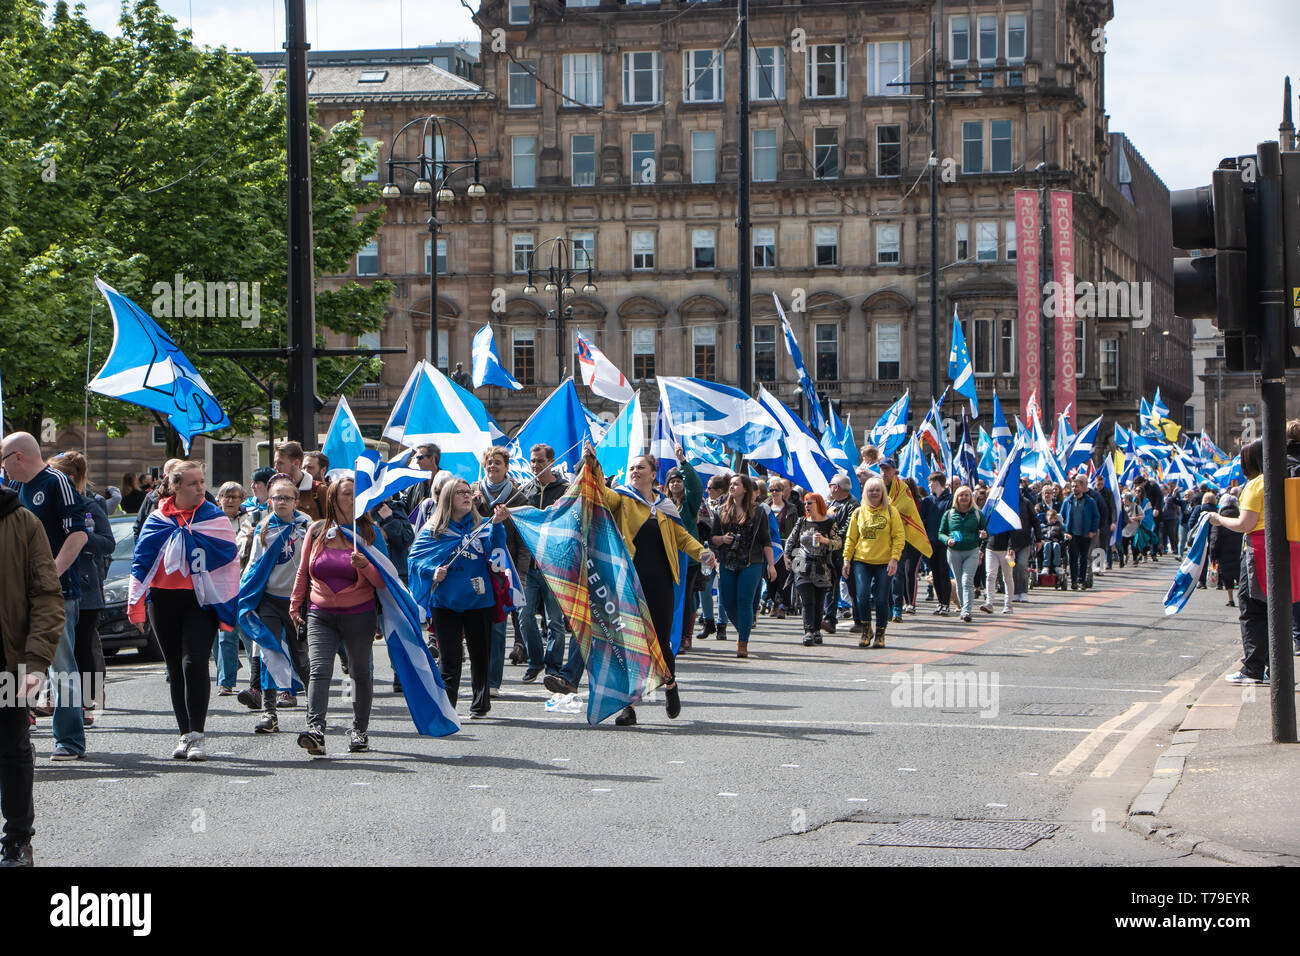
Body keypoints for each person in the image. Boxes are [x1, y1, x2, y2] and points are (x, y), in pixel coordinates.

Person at [571, 450, 712, 724]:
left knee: (660, 640)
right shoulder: (622, 498)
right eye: (632, 468)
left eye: (640, 468)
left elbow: (683, 537)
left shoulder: (666, 506)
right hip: (627, 582)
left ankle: (670, 686)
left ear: (653, 474)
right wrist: (593, 464)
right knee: (628, 642)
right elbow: (600, 492)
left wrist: (702, 553)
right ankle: (629, 705)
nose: (635, 471)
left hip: (660, 582)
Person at [129, 461, 239, 762]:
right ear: (174, 486)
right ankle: (184, 735)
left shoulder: (213, 518)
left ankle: (198, 735)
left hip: (199, 601)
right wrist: (135, 604)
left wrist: (227, 601)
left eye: (202, 482)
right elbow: (141, 561)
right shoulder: (157, 519)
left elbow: (229, 557)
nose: (200, 488)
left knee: (195, 662)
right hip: (163, 600)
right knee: (175, 668)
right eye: (192, 483)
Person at [1, 432, 87, 761]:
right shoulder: (15, 491)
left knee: (60, 665)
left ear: (19, 457)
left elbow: (77, 534)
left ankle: (70, 739)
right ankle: (17, 735)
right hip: (19, 596)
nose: (3, 468)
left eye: (4, 460)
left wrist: (49, 575)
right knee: (18, 663)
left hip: (57, 594)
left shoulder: (56, 481)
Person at [290, 477, 386, 755]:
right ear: (333, 499)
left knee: (359, 673)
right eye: (347, 494)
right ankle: (316, 730)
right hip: (320, 613)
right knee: (319, 671)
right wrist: (295, 604)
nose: (354, 498)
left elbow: (384, 581)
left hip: (360, 614)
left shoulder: (371, 533)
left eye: (358, 493)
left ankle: (359, 730)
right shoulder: (317, 530)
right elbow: (303, 571)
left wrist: (366, 565)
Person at [0, 479, 64, 866]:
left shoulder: (23, 522)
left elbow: (46, 595)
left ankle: (18, 840)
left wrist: (36, 662)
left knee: (12, 749)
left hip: (8, 663)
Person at [409, 477, 508, 719]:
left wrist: (497, 525)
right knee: (450, 658)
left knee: (480, 655)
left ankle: (480, 704)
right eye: (459, 493)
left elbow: (497, 553)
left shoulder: (482, 525)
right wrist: (432, 572)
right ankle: (447, 707)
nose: (466, 496)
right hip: (446, 603)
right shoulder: (433, 530)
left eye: (468, 492)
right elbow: (414, 560)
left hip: (479, 600)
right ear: (447, 499)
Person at [239, 475, 313, 735]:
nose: (281, 502)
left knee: (301, 656)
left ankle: (313, 711)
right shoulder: (264, 528)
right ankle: (269, 713)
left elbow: (312, 564)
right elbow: (255, 566)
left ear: (296, 500)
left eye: (287, 497)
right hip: (269, 599)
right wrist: (245, 593)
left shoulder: (306, 525)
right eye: (277, 497)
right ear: (269, 500)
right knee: (269, 650)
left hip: (297, 602)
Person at [48, 452, 114, 725]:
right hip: (59, 586)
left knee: (82, 648)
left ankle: (87, 704)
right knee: (56, 650)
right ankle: (57, 701)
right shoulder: (49, 506)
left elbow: (108, 543)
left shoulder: (90, 505)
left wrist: (81, 537)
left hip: (86, 588)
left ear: (69, 478)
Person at [470, 447, 531, 698]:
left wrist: (521, 575)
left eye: (497, 463)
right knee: (474, 627)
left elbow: (524, 544)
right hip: (475, 567)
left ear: (507, 467)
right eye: (489, 463)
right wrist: (470, 504)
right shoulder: (471, 494)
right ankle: (478, 677)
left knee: (497, 626)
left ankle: (492, 681)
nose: (492, 466)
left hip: (503, 571)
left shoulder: (519, 499)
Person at [1208, 440, 1270, 683]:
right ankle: (1272, 667)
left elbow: (1245, 524)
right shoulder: (1276, 479)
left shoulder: (1255, 485)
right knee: (1270, 609)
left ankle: (1252, 670)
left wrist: (1218, 519)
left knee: (1251, 608)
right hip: (1275, 549)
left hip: (1257, 549)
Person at [518, 445, 571, 684]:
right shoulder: (524, 491)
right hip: (529, 566)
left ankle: (553, 666)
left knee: (554, 621)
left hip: (554, 565)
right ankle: (535, 661)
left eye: (540, 461)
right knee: (524, 615)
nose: (535, 465)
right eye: (533, 461)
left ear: (551, 462)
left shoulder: (564, 490)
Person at [710, 474, 775, 660]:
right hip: (727, 562)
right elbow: (712, 538)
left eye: (736, 484)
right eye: (730, 484)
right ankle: (743, 629)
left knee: (744, 602)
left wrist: (771, 565)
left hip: (751, 562)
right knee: (728, 603)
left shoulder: (759, 511)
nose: (732, 487)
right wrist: (723, 539)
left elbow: (765, 540)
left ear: (745, 488)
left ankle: (742, 642)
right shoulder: (721, 510)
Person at [843, 476, 904, 648]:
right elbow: (851, 538)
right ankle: (866, 630)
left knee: (881, 599)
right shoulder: (858, 512)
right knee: (861, 596)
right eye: (871, 490)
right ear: (865, 493)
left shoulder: (892, 512)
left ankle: (880, 634)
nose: (874, 493)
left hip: (885, 562)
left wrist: (894, 558)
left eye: (877, 490)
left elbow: (899, 536)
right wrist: (846, 560)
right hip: (862, 560)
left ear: (882, 493)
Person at [786, 494, 841, 646]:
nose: (807, 506)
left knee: (818, 601)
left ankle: (816, 630)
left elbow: (838, 543)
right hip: (802, 565)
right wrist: (787, 556)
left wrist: (824, 540)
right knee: (807, 600)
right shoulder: (802, 521)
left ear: (819, 504)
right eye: (805, 503)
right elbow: (791, 539)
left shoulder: (829, 523)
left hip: (822, 567)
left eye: (810, 503)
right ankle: (808, 631)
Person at [664, 448, 704, 651]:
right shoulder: (661, 503)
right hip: (666, 558)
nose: (676, 483)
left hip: (688, 559)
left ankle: (684, 636)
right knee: (667, 598)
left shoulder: (689, 505)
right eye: (672, 480)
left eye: (679, 480)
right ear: (667, 485)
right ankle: (667, 635)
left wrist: (683, 463)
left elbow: (696, 488)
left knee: (684, 597)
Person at [214, 481, 249, 695]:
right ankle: (227, 678)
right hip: (217, 583)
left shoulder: (249, 521)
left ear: (241, 500)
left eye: (234, 497)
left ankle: (260, 679)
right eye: (225, 496)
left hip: (243, 581)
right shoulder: (211, 520)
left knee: (245, 631)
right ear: (219, 499)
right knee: (222, 634)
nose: (229, 500)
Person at [939, 485, 986, 623]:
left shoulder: (977, 514)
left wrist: (983, 535)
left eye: (967, 495)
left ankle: (967, 610)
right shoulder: (948, 514)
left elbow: (985, 532)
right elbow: (941, 533)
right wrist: (948, 540)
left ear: (971, 497)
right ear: (956, 498)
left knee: (967, 581)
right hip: (954, 553)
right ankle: (963, 607)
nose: (964, 498)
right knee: (959, 582)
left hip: (972, 551)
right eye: (961, 495)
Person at [695, 473, 732, 641]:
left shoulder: (728, 504)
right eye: (707, 488)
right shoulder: (702, 503)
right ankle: (708, 621)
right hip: (705, 547)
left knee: (723, 587)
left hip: (724, 550)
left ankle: (722, 624)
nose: (707, 490)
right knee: (705, 585)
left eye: (710, 488)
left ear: (720, 490)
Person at [822, 474, 860, 634]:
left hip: (846, 552)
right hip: (831, 552)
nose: (830, 488)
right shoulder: (830, 503)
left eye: (831, 485)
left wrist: (831, 538)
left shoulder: (853, 505)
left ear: (836, 487)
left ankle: (860, 620)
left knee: (853, 587)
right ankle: (830, 619)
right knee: (830, 586)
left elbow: (849, 528)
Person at [765, 478, 799, 619]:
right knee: (769, 578)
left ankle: (781, 605)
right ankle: (773, 601)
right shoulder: (765, 508)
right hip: (770, 546)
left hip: (785, 547)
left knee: (783, 578)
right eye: (771, 490)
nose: (774, 493)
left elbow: (796, 529)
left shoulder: (791, 508)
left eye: (777, 490)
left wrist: (793, 548)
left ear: (782, 492)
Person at [919, 472, 952, 614]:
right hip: (930, 542)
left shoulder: (950, 500)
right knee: (935, 574)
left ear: (937, 483)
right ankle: (940, 602)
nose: (929, 485)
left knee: (944, 573)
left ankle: (946, 603)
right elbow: (922, 519)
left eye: (930, 483)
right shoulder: (927, 501)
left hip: (944, 543)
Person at [1060, 475, 1100, 590]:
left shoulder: (1090, 501)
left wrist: (1093, 531)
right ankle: (1073, 581)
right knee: (1073, 558)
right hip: (1072, 535)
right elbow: (1061, 518)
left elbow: (1096, 517)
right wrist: (1065, 531)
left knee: (1083, 558)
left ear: (1082, 487)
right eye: (1072, 486)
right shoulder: (1068, 501)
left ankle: (1082, 580)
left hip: (1085, 534)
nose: (1074, 489)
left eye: (1076, 486)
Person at [273, 441, 327, 522]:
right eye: (275, 463)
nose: (275, 467)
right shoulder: (274, 489)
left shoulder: (319, 490)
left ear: (296, 463)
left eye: (280, 463)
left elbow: (331, 524)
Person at [132, 458, 182, 539]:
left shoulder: (199, 496)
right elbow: (139, 528)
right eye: (175, 475)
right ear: (165, 476)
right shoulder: (151, 497)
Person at [1208, 495, 1242, 608]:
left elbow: (1215, 539)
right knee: (1240, 576)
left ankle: (1230, 598)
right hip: (1239, 552)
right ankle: (1242, 598)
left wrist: (1213, 555)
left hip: (1224, 553)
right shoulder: (1240, 516)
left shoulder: (1220, 519)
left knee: (1227, 577)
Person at [1009, 489, 1040, 603]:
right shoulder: (1005, 503)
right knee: (1012, 567)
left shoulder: (1026, 503)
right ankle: (1014, 592)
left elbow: (1035, 521)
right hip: (1009, 543)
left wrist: (1039, 538)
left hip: (1024, 542)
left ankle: (1022, 591)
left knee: (1022, 565)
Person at [402, 443, 441, 519]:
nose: (417, 462)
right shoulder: (415, 483)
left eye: (420, 458)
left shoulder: (447, 482)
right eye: (416, 458)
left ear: (432, 459)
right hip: (418, 530)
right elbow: (404, 503)